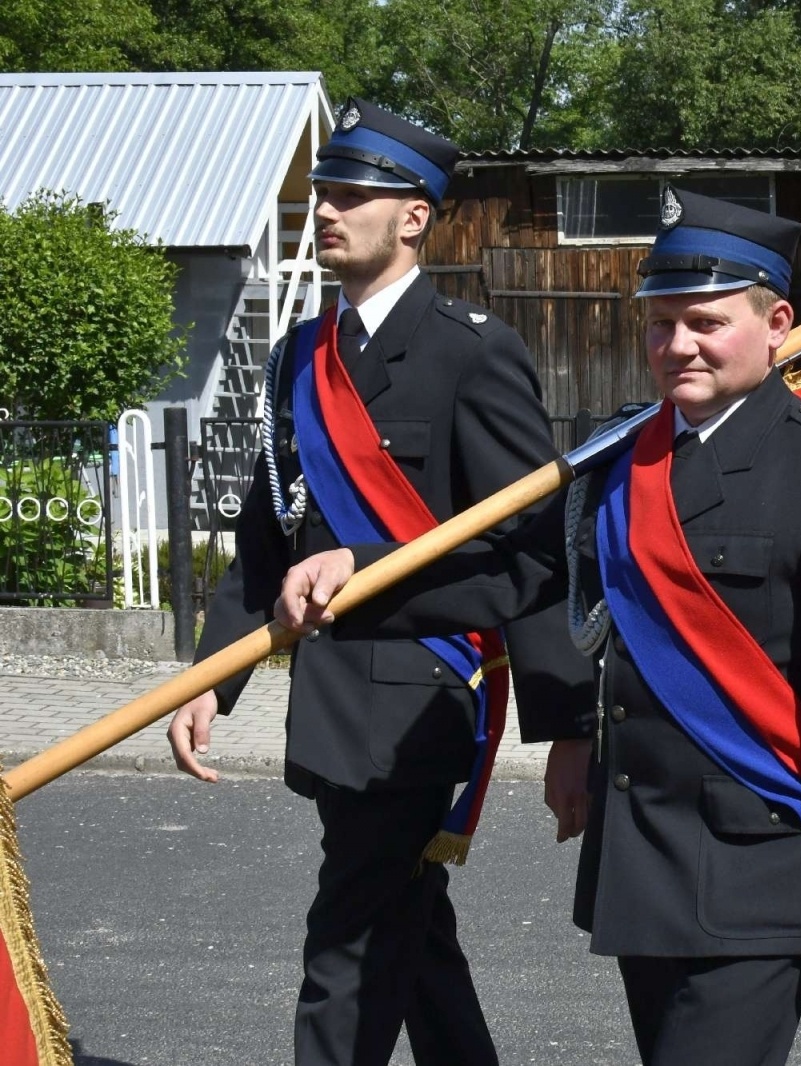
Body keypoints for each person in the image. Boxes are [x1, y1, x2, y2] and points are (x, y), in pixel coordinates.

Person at [274, 187, 801, 1066]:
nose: (678, 346)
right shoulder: (621, 458)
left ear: (777, 323)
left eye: (706, 322)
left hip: (757, 869)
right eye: (661, 324)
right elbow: (516, 569)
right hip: (646, 867)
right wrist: (361, 568)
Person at [165, 98, 587, 1066]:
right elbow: (266, 540)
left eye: (352, 194)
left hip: (423, 702)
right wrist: (205, 683)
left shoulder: (472, 352)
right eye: (322, 193)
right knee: (408, 925)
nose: (325, 211)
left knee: (347, 940)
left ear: (413, 216)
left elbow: (533, 551)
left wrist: (570, 728)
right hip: (330, 700)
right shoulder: (295, 358)